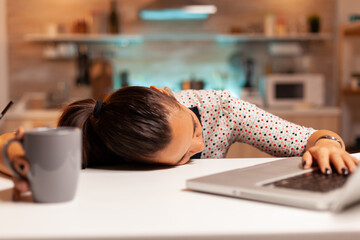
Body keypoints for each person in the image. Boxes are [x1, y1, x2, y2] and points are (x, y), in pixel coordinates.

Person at [0, 86, 358, 200]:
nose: (198, 145)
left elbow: (308, 137)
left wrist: (327, 143)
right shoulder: (103, 128)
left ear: (165, 93)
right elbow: (8, 142)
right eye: (183, 155)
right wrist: (19, 158)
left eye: (193, 129)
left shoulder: (223, 108)